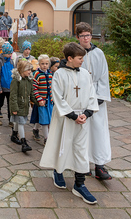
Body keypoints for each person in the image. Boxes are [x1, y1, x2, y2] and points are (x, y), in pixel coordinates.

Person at [40, 42, 99, 205]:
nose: (82, 61)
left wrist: (86, 114)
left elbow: (92, 95)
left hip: (83, 119)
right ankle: (58, 171)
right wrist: (73, 115)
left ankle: (79, 185)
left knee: (81, 150)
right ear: (70, 58)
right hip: (65, 117)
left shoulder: (86, 74)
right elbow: (58, 97)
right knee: (62, 145)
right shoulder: (59, 74)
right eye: (80, 58)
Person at [77, 22, 112, 180]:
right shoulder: (75, 52)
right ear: (78, 37)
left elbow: (104, 76)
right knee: (82, 132)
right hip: (80, 97)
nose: (86, 38)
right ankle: (83, 164)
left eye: (88, 35)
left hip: (97, 96)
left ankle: (99, 165)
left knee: (98, 131)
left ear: (91, 35)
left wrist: (100, 97)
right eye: (83, 35)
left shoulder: (99, 53)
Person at [10, 60, 38, 152]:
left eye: (30, 69)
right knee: (21, 123)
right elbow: (13, 95)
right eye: (28, 70)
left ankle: (14, 134)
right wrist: (14, 107)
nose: (30, 71)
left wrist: (37, 102)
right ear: (22, 70)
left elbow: (32, 93)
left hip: (25, 105)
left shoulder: (29, 80)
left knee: (18, 121)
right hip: (18, 105)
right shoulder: (16, 81)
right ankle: (23, 142)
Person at [30, 54, 53, 145]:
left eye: (47, 63)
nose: (45, 65)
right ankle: (47, 139)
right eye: (42, 63)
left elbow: (52, 87)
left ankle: (35, 129)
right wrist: (39, 99)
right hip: (41, 101)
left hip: (49, 100)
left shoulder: (50, 73)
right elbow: (34, 88)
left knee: (48, 119)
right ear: (39, 64)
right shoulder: (37, 74)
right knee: (44, 120)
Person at [0, 42, 14, 126]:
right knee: (0, 102)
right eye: (8, 53)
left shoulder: (12, 62)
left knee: (10, 104)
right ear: (4, 53)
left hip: (10, 87)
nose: (10, 55)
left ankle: (11, 119)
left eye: (11, 53)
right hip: (2, 87)